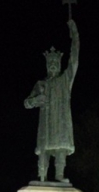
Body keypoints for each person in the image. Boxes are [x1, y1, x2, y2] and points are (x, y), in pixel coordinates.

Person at [24, 19, 79, 182]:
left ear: (60, 64)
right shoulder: (41, 84)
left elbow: (74, 60)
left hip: (61, 124)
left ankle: (59, 175)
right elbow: (26, 103)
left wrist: (75, 35)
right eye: (51, 63)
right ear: (47, 64)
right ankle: (42, 176)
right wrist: (35, 100)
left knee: (61, 148)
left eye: (56, 62)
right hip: (46, 125)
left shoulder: (65, 80)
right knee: (43, 150)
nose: (53, 65)